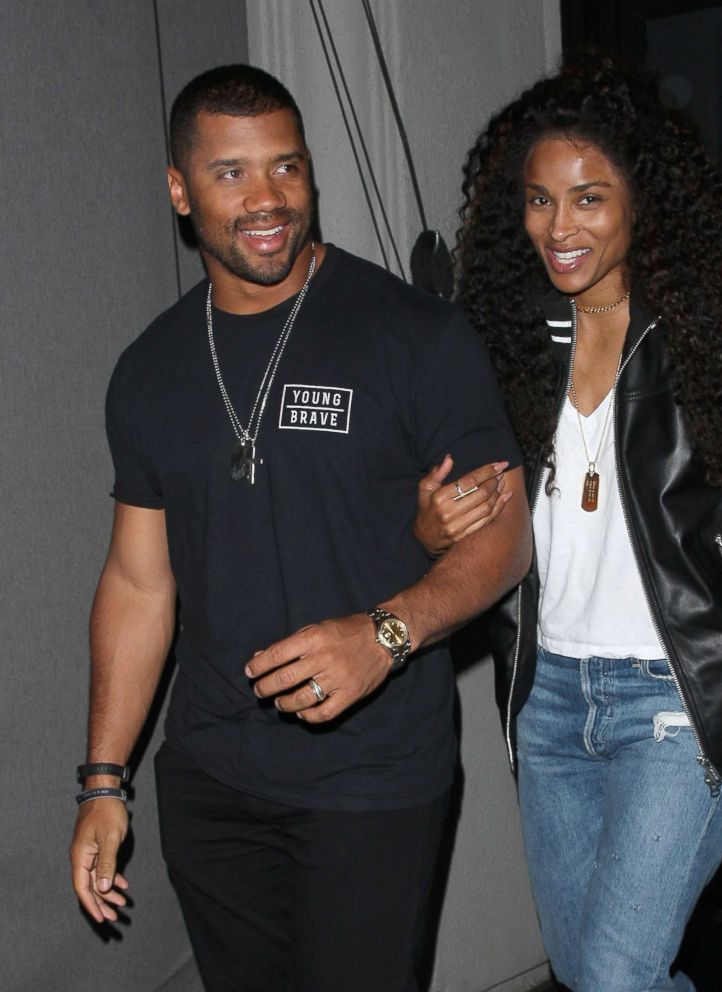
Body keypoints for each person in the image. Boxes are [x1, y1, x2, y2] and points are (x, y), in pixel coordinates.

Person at [68, 64, 531, 992]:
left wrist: (387, 632)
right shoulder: (149, 370)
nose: (267, 199)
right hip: (211, 783)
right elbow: (137, 584)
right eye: (231, 173)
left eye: (286, 166)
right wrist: (103, 781)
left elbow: (505, 536)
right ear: (178, 190)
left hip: (372, 782)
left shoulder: (414, 335)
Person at [415, 59, 722, 991]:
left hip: (678, 698)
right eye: (538, 201)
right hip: (545, 702)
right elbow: (464, 518)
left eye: (587, 197)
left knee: (614, 975)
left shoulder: (703, 334)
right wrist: (431, 529)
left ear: (640, 198)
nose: (558, 227)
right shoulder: (508, 341)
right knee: (593, 976)